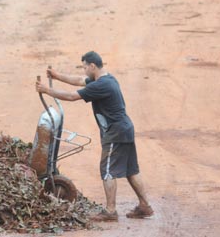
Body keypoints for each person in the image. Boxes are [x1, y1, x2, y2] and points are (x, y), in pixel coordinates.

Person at [35, 51, 153, 222]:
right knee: (131, 169)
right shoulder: (106, 79)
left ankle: (110, 211)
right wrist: (56, 76)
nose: (84, 70)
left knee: (107, 171)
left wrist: (47, 90)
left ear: (92, 66)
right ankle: (145, 205)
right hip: (125, 128)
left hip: (115, 132)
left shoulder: (102, 85)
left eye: (84, 67)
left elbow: (72, 96)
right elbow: (79, 81)